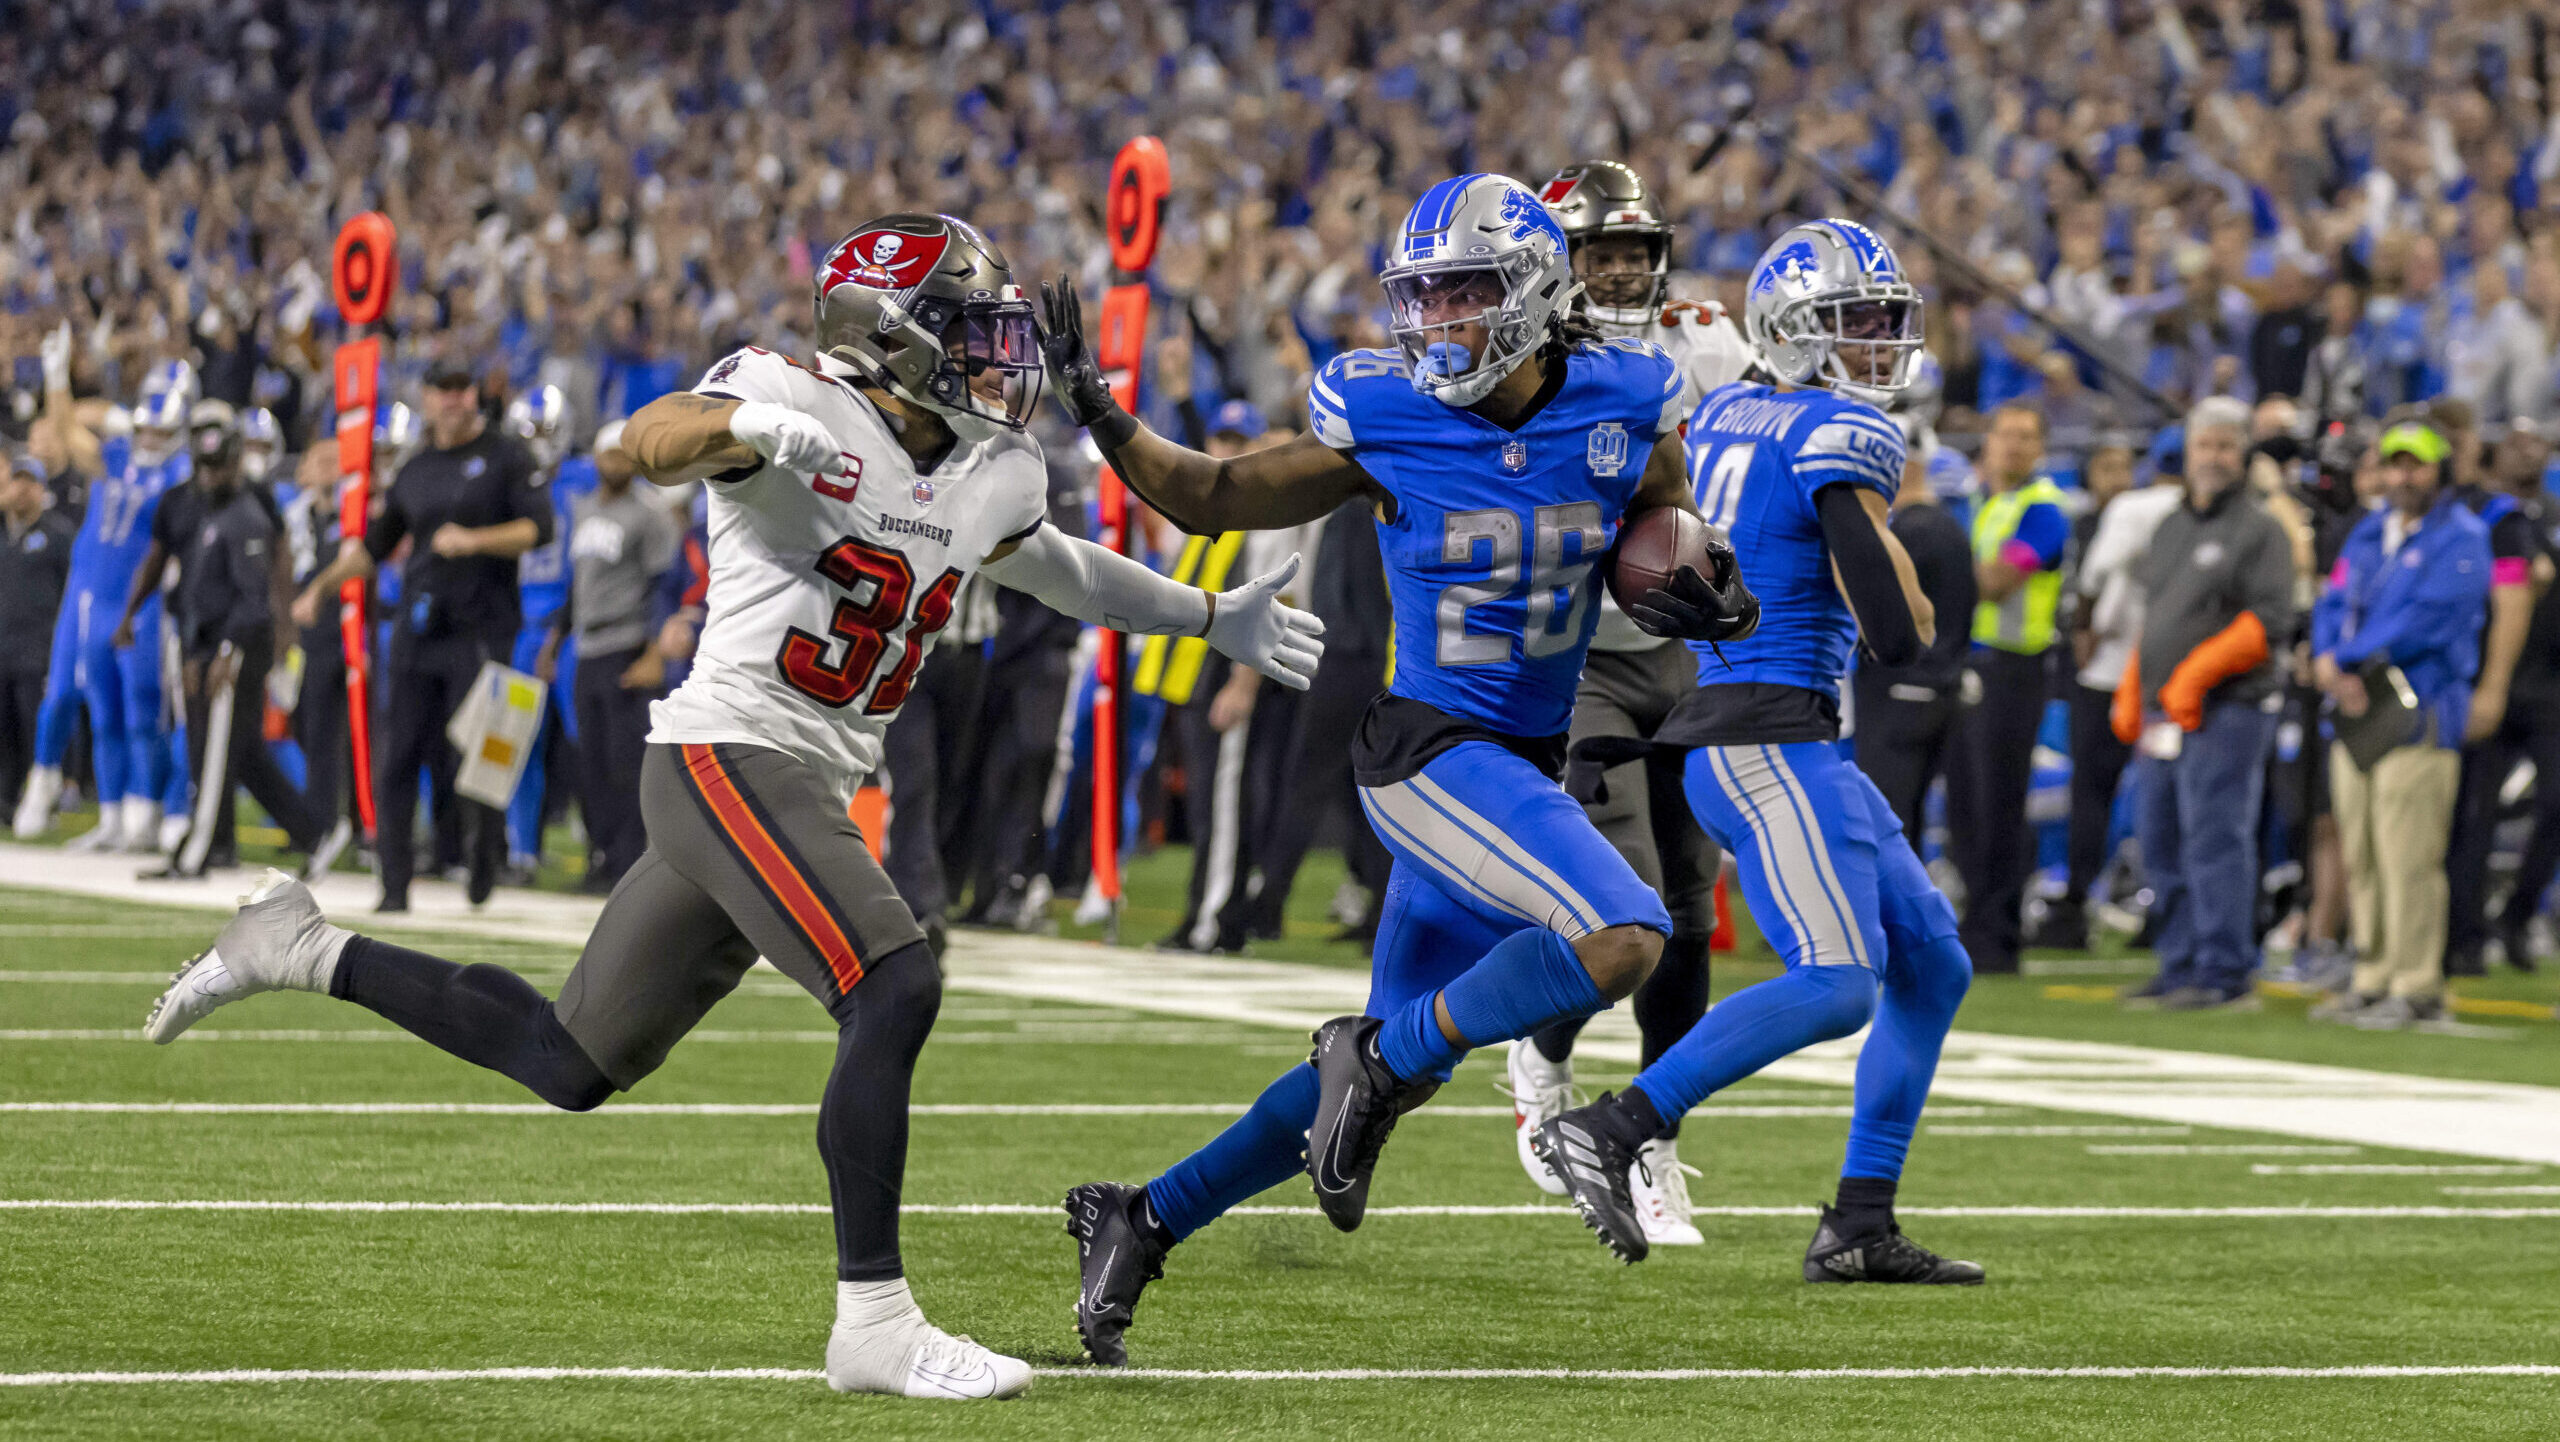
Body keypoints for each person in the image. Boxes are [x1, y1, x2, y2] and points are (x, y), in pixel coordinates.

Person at [144, 213, 1323, 1400]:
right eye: (971, 334)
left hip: (797, 779)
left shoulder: (993, 467)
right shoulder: (784, 397)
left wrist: (1203, 614)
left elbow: (1051, 562)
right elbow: (640, 437)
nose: (1000, 360)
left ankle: (299, 944)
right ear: (891, 339)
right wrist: (743, 429)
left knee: (568, 1059)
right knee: (895, 978)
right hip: (726, 752)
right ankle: (873, 1320)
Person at [1045, 173, 1755, 1365]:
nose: (1437, 322)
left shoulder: (1627, 396)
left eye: (1465, 294)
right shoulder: (1388, 414)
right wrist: (1101, 414)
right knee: (1624, 933)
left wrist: (1703, 583)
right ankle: (1370, 1057)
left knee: (1389, 1074)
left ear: (1533, 295)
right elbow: (1215, 493)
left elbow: (1665, 516)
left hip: (1525, 757)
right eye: (1421, 297)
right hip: (1425, 750)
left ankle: (1143, 1214)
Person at [1540, 220, 1981, 1285]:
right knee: (1839, 984)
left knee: (1932, 964)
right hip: (1768, 739)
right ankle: (1616, 1121)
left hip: (1759, 729)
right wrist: (1901, 553)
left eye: (1884, 321)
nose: (1876, 342)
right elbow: (1895, 631)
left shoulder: (1732, 407)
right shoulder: (1840, 432)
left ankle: (1859, 1219)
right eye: (1853, 322)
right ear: (1792, 332)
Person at [1504, 159, 1755, 1247]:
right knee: (1634, 907)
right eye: (1597, 251)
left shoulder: (1705, 340)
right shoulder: (1523, 351)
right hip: (1583, 657)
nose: (1616, 270)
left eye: (1631, 252)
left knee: (1694, 913)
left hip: (1683, 649)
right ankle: (1542, 1057)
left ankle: (1650, 1132)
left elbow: (1763, 422)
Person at [290, 359, 550, 910]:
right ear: (428, 398)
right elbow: (377, 546)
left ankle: (482, 858)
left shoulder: (507, 457)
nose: (455, 400)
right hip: (419, 629)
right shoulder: (416, 467)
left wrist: (475, 541)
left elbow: (537, 529)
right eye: (445, 389)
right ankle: (394, 886)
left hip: (482, 628)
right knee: (399, 756)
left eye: (463, 388)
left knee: (478, 757)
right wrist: (322, 586)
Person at [2111, 397, 2297, 1010]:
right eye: (2204, 445)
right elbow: (2158, 617)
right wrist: (2137, 685)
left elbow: (2268, 622)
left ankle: (2224, 971)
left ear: (2243, 454)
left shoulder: (2261, 529)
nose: (2214, 457)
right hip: (2167, 715)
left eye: (2226, 446)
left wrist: (2196, 675)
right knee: (2161, 838)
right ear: (2186, 452)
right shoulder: (2170, 525)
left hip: (2229, 711)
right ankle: (2180, 961)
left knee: (2215, 838)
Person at [2309, 419, 2493, 1029]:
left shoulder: (2462, 537)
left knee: (2407, 853)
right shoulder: (2368, 533)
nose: (2404, 475)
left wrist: (2351, 656)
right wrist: (2328, 656)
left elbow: (2432, 618)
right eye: (2395, 463)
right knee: (2361, 848)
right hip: (2358, 709)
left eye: (2416, 464)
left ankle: (2415, 984)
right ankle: (2372, 973)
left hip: (2421, 710)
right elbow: (2334, 601)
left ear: (2439, 469)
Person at [116, 401, 344, 880]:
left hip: (237, 643)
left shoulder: (249, 509)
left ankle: (197, 851)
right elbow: (165, 560)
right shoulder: (186, 501)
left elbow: (258, 590)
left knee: (220, 747)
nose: (211, 473)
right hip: (202, 636)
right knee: (233, 750)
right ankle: (310, 834)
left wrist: (263, 641)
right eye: (205, 463)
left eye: (219, 464)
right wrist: (136, 613)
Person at [12, 374, 190, 852]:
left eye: (160, 432)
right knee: (103, 712)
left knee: (143, 709)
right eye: (144, 430)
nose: (149, 440)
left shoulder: (183, 474)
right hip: (95, 596)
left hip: (142, 601)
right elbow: (69, 431)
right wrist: (55, 379)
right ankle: (112, 814)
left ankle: (148, 810)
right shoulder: (114, 456)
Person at [1944, 403, 2069, 973]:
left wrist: (1937, 569)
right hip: (1968, 663)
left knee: (1999, 802)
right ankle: (1975, 925)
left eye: (2027, 437)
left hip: (2014, 670)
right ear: (1987, 441)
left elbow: (1997, 582)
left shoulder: (2045, 510)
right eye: (2007, 435)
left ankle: (1998, 932)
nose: (2015, 446)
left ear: (2040, 449)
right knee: (1966, 804)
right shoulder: (1978, 502)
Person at [2051, 440, 2185, 948]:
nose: (2118, 478)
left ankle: (2083, 905)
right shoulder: (2196, 510)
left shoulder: (2133, 510)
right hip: (2153, 676)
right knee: (2150, 794)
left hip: (2114, 676)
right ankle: (2149, 909)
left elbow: (2092, 585)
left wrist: (2082, 630)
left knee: (2102, 793)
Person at [536, 438, 680, 892]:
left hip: (627, 643)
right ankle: (601, 856)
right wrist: (554, 642)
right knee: (590, 762)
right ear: (597, 458)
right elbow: (577, 584)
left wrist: (653, 652)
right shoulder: (582, 509)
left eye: (623, 454)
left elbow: (663, 586)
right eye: (609, 454)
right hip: (587, 645)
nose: (615, 462)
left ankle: (628, 861)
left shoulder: (650, 513)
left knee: (627, 761)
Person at [1850, 415, 1982, 854]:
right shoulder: (1947, 527)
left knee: (1887, 829)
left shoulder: (1906, 532)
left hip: (1900, 695)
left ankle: (1894, 923)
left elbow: (1875, 616)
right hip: (1939, 693)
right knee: (1910, 829)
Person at [0, 451, 76, 821]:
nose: (22, 490)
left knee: (37, 730)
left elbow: (72, 590)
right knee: (4, 731)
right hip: (3, 649)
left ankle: (45, 802)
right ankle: (6, 802)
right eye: (18, 480)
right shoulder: (4, 533)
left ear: (42, 488)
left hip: (39, 650)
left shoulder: (58, 534)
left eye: (30, 482)